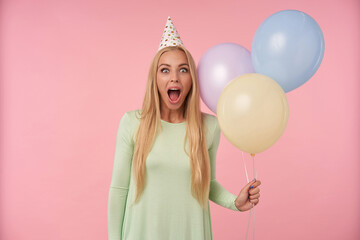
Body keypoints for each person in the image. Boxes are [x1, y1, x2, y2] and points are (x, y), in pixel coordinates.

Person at [107, 16, 261, 240]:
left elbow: (207, 184)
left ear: (192, 79)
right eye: (165, 70)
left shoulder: (209, 126)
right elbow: (119, 191)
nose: (174, 79)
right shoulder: (132, 123)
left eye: (183, 70)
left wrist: (234, 202)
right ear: (155, 78)